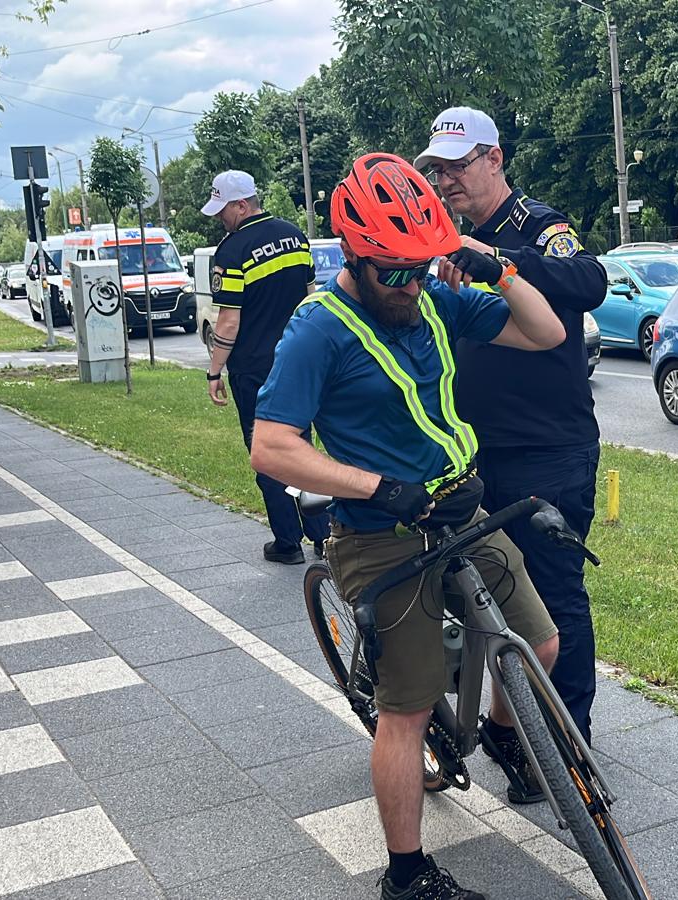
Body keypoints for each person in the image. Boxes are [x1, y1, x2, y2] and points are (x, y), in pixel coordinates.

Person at [250, 154, 565, 900]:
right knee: (407, 708)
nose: (409, 285)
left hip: (462, 510)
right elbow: (271, 445)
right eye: (393, 272)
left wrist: (492, 267)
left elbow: (548, 333)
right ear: (353, 257)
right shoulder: (316, 330)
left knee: (542, 643)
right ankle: (407, 874)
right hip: (380, 532)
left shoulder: (433, 299)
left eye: (421, 267)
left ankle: (498, 730)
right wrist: (379, 488)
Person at [415, 107, 607, 756]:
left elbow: (590, 282)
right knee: (482, 593)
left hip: (547, 450)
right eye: (437, 171)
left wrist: (494, 258)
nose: (446, 182)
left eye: (458, 166)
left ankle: (568, 750)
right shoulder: (443, 238)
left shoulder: (536, 224)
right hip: (475, 453)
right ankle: (494, 719)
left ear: (495, 159)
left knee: (555, 600)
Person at [201, 170, 330, 565]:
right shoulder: (295, 236)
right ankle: (323, 535)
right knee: (302, 445)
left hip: (256, 369)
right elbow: (311, 297)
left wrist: (214, 370)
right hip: (299, 360)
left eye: (223, 209)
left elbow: (228, 321)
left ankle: (288, 542)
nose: (220, 217)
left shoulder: (232, 250)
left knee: (268, 451)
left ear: (241, 205)